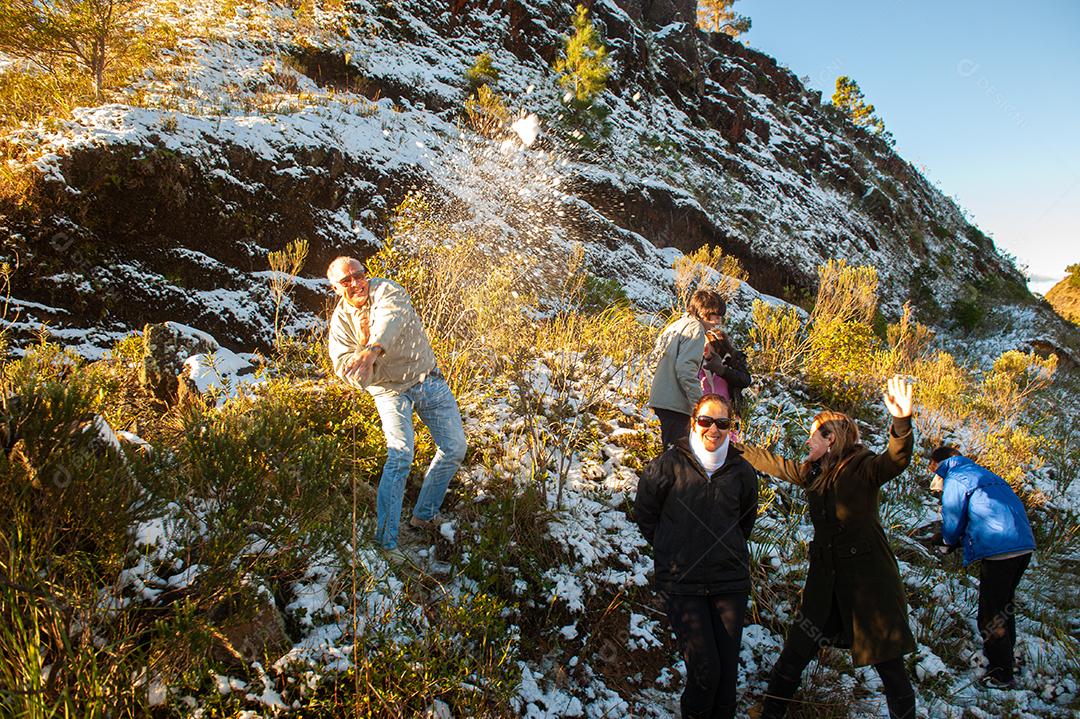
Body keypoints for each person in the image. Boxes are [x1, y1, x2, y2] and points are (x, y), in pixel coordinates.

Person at [738, 376, 918, 719]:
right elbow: (780, 466)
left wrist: (901, 421)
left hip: (868, 585)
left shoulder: (862, 467)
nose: (807, 442)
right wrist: (739, 449)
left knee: (888, 664)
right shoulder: (815, 473)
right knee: (797, 649)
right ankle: (771, 712)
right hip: (825, 584)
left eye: (814, 435)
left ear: (831, 438)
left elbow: (895, 460)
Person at [326, 256, 467, 560]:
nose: (356, 283)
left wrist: (371, 350)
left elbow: (391, 319)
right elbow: (343, 368)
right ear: (335, 288)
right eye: (346, 281)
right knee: (400, 456)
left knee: (454, 447)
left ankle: (424, 514)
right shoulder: (339, 325)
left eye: (359, 275)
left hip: (425, 378)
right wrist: (364, 367)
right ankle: (387, 541)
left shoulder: (388, 290)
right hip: (388, 391)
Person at [635, 394, 758, 719]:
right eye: (705, 421)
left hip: (728, 582)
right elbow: (645, 513)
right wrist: (670, 548)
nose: (713, 429)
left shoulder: (741, 471)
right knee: (705, 672)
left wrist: (725, 548)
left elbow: (745, 520)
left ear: (730, 428)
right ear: (693, 422)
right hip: (682, 583)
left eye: (722, 423)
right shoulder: (668, 464)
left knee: (727, 677)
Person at [929, 446, 1035, 689]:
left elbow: (954, 517)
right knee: (1004, 608)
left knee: (990, 615)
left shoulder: (955, 477)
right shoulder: (983, 473)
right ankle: (1006, 662)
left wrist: (946, 541)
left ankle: (1001, 675)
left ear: (939, 463)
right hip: (1023, 545)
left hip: (1000, 549)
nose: (933, 474)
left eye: (932, 468)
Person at [649, 289, 727, 448]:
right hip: (675, 405)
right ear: (705, 312)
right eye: (717, 316)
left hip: (661, 400)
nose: (718, 321)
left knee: (668, 456)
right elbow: (686, 370)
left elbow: (652, 361)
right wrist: (699, 405)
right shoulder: (695, 329)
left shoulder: (675, 325)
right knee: (676, 459)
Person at [700, 328, 752, 414]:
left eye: (707, 344)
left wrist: (723, 370)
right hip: (703, 412)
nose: (703, 348)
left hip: (726, 413)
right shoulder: (698, 362)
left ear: (716, 345)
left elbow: (745, 380)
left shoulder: (732, 359)